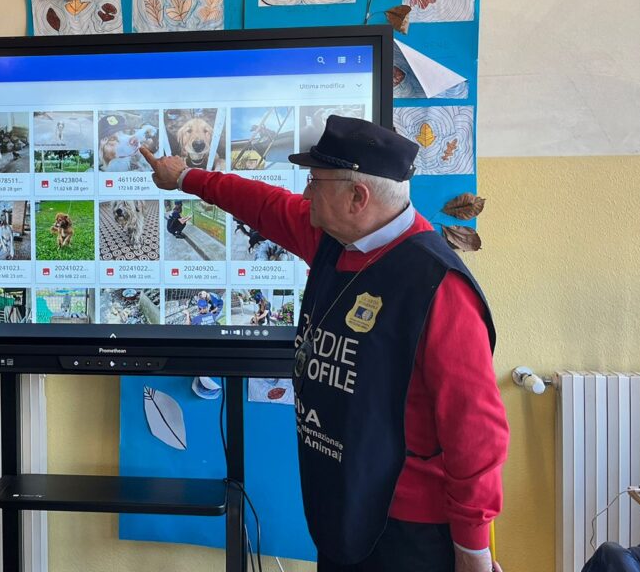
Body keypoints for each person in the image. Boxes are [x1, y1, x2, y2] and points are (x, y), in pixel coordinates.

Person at [142, 115, 507, 572]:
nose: (305, 193)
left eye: (315, 181)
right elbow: (262, 203)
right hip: (342, 507)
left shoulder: (437, 287)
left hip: (407, 531)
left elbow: (475, 433)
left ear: (358, 197)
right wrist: (186, 177)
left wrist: (473, 551)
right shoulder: (336, 239)